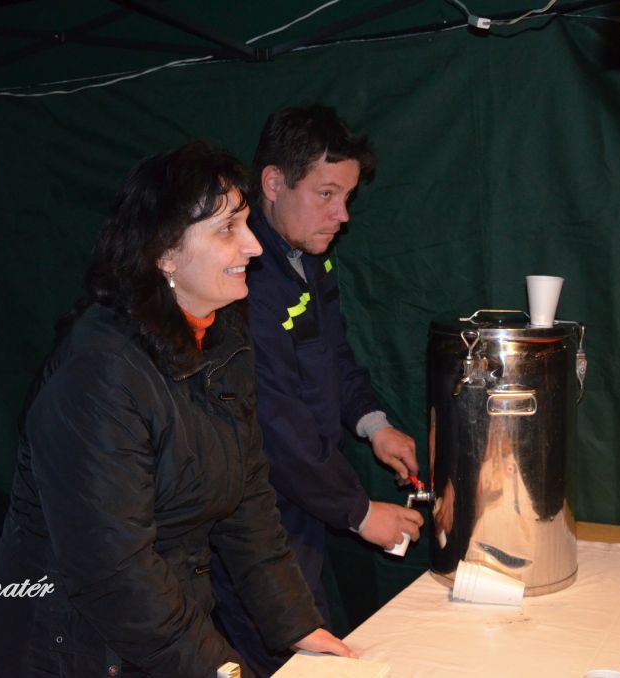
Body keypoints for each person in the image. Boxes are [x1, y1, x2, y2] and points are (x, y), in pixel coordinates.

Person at [0, 142, 355, 678]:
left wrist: (297, 625)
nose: (254, 245)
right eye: (227, 229)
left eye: (246, 223)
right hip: (74, 649)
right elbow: (116, 571)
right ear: (164, 253)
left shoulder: (223, 336)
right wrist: (221, 669)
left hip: (164, 630)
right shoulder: (100, 373)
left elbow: (249, 503)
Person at [211, 106, 424, 676]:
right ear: (273, 183)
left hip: (303, 504)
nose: (342, 215)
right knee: (286, 654)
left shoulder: (309, 259)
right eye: (326, 194)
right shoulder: (244, 280)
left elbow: (333, 355)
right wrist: (360, 513)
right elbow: (274, 422)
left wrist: (375, 426)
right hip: (254, 518)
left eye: (347, 196)